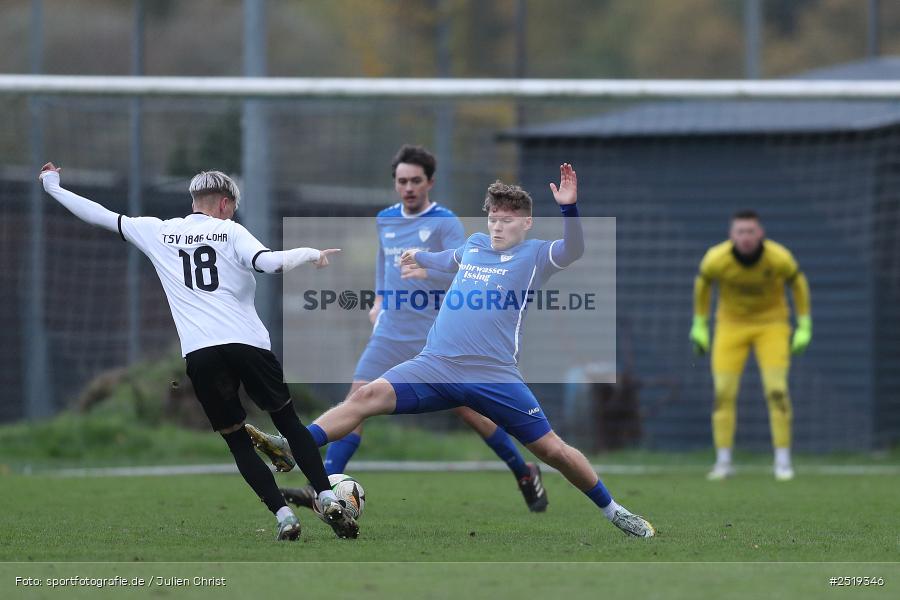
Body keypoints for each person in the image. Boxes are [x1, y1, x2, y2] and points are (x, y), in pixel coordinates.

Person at [282, 163, 655, 537]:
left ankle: (615, 511)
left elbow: (574, 248)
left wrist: (568, 208)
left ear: (526, 224)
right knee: (367, 395)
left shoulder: (537, 255)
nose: (497, 226)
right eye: (493, 218)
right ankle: (292, 445)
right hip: (436, 365)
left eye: (507, 220)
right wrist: (419, 257)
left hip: (493, 375)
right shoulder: (476, 245)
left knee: (553, 451)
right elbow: (448, 259)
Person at [39, 163, 357, 540]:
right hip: (247, 343)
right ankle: (325, 494)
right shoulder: (231, 230)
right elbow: (267, 262)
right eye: (233, 207)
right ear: (224, 203)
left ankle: (285, 516)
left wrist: (53, 186)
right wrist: (309, 253)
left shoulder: (158, 230)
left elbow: (101, 216)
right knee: (287, 422)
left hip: (202, 352)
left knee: (237, 439)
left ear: (195, 201)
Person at [247, 144, 548, 512]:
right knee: (357, 400)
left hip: (434, 334)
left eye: (416, 181)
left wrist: (426, 270)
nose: (408, 187)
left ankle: (523, 469)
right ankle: (321, 485)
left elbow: (467, 271)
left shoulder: (445, 222)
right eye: (402, 181)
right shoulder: (386, 218)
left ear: (429, 183)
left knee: (472, 413)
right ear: (395, 183)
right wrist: (378, 300)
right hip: (390, 333)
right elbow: (383, 263)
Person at [690, 210, 812, 481]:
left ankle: (782, 461)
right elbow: (702, 285)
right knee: (723, 392)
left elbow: (799, 283)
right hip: (730, 326)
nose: (745, 237)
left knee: (777, 390)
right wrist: (700, 324)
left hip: (772, 325)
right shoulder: (716, 259)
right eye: (740, 232)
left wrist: (804, 324)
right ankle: (723, 462)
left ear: (760, 234)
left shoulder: (778, 258)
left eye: (750, 231)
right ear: (731, 235)